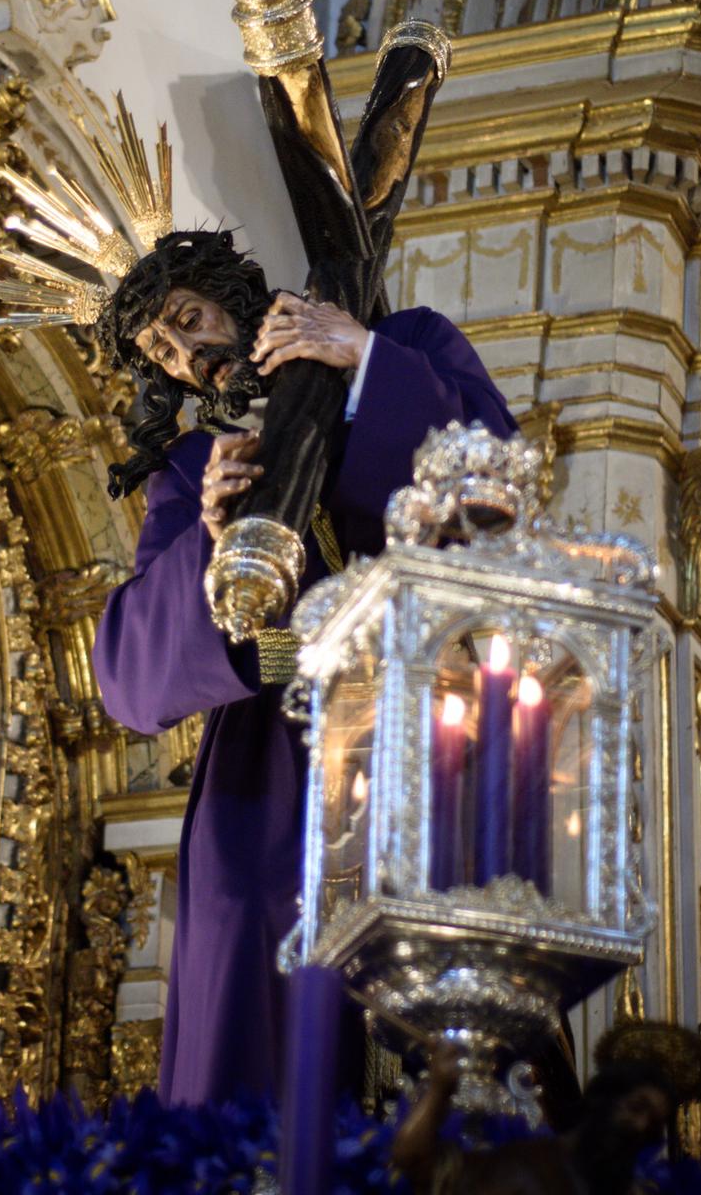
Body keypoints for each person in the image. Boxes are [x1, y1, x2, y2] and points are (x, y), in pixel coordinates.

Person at [91, 229, 517, 1106]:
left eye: (190, 319)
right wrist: (210, 551)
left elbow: (497, 486)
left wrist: (364, 361)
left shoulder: (410, 349)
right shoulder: (188, 474)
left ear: (237, 294)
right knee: (254, 951)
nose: (189, 355)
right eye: (162, 351)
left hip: (422, 728)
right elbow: (128, 679)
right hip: (268, 775)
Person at [391, 1033, 701, 1195]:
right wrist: (440, 1090)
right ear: (600, 1099)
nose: (640, 1126)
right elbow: (416, 1162)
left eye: (653, 1126)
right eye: (636, 1108)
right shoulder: (523, 1164)